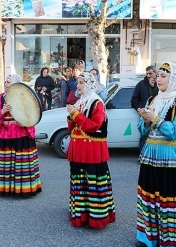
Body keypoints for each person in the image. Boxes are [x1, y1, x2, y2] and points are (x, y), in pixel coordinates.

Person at [135, 62, 176, 247]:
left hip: (169, 156)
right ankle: (148, 237)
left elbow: (175, 131)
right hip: (150, 154)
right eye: (157, 76)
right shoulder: (152, 100)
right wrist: (145, 121)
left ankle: (172, 239)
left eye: (163, 76)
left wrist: (155, 119)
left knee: (169, 198)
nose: (158, 79)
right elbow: (142, 131)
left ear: (173, 79)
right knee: (149, 197)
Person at [66, 74, 115, 229]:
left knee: (92, 181)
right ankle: (81, 213)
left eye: (81, 83)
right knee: (80, 181)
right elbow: (72, 127)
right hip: (79, 147)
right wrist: (71, 117)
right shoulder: (80, 101)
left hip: (91, 149)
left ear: (89, 85)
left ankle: (96, 217)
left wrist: (75, 115)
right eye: (77, 83)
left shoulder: (97, 103)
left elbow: (94, 125)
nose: (78, 86)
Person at [0, 74, 42, 197]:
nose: (5, 84)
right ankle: (5, 188)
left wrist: (24, 122)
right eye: (5, 82)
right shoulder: (1, 98)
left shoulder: (23, 97)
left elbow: (31, 114)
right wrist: (2, 111)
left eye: (8, 82)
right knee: (5, 163)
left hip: (21, 133)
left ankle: (23, 188)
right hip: (5, 135)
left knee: (21, 164)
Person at [130, 65, 159, 152]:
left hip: (157, 113)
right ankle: (143, 156)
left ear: (155, 73)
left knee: (157, 134)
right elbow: (134, 100)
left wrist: (154, 86)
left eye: (150, 73)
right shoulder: (141, 85)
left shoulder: (160, 83)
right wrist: (139, 109)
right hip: (145, 113)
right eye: (147, 74)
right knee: (144, 134)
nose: (148, 75)